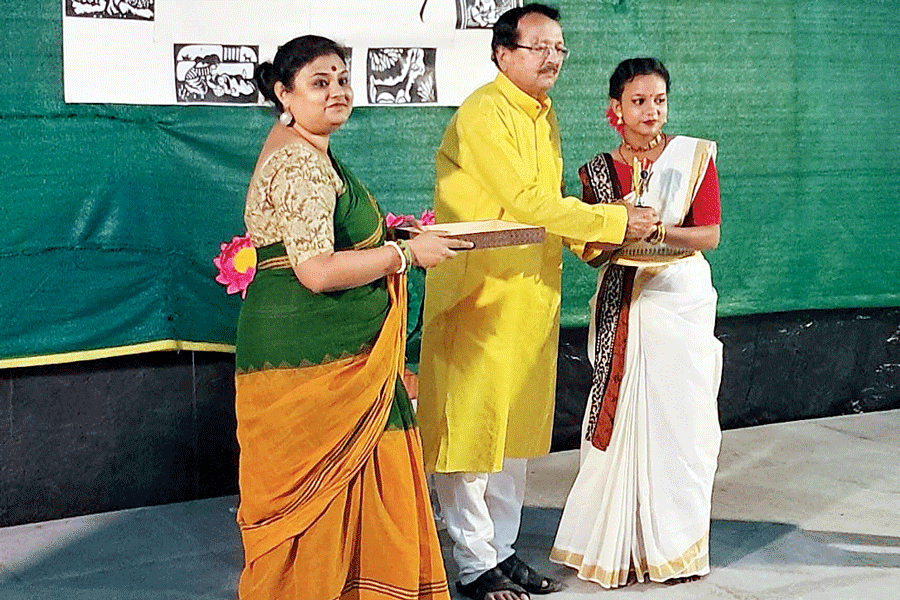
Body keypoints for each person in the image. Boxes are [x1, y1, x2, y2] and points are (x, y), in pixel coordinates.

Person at [415, 6, 660, 600]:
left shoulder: (543, 116)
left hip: (529, 295)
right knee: (470, 434)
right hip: (480, 295)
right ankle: (473, 565)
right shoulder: (483, 112)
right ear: (503, 53)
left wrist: (596, 243)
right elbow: (524, 200)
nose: (553, 57)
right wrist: (611, 220)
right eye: (539, 46)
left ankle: (500, 552)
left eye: (560, 47)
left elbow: (547, 203)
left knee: (514, 437)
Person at [234, 35, 470, 600]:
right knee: (323, 495)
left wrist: (394, 238)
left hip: (339, 357)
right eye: (320, 82)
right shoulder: (297, 161)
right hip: (316, 364)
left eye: (342, 79)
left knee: (365, 475)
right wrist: (406, 255)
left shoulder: (307, 147)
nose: (337, 91)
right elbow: (315, 270)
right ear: (283, 92)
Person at [550, 57, 723, 588]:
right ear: (615, 110)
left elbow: (709, 236)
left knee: (683, 424)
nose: (651, 112)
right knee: (623, 420)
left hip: (681, 300)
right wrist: (618, 232)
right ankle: (617, 546)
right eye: (639, 101)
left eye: (660, 100)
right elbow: (590, 249)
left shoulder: (693, 158)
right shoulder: (597, 172)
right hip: (624, 302)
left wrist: (656, 232)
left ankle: (674, 547)